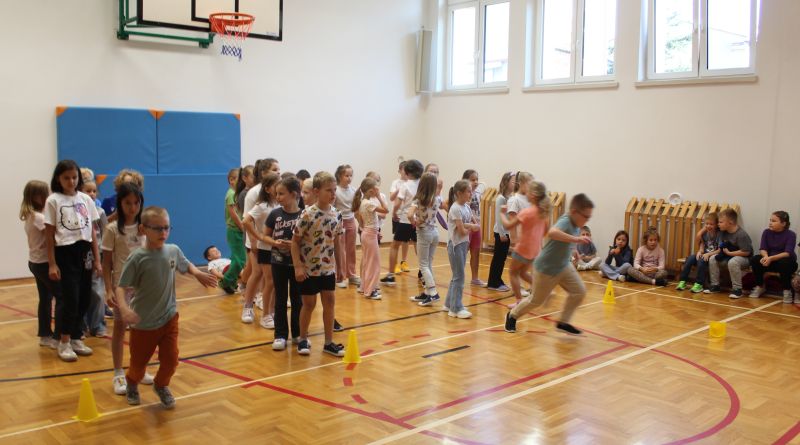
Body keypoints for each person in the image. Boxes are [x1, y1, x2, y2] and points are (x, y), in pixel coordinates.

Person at [116, 206, 217, 408]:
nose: (163, 232)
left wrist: (197, 273)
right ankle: (132, 382)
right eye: (157, 228)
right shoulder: (137, 258)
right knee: (138, 364)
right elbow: (121, 286)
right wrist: (125, 309)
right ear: (143, 229)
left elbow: (185, 263)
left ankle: (161, 385)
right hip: (143, 323)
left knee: (171, 360)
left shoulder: (172, 250)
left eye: (166, 228)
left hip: (169, 317)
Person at [505, 194, 594, 335]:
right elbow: (552, 233)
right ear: (574, 212)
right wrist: (576, 240)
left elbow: (567, 241)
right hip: (546, 268)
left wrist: (575, 250)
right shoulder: (566, 221)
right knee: (536, 301)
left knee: (579, 291)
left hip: (563, 266)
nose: (587, 219)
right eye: (586, 216)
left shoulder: (577, 224)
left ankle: (563, 322)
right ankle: (512, 315)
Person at [44, 160, 101, 362]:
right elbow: (49, 235)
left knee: (85, 297)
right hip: (65, 252)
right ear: (58, 179)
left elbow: (92, 232)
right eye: (66, 178)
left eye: (74, 177)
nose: (71, 181)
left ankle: (76, 337)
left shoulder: (85, 198)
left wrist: (97, 260)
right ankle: (64, 341)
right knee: (71, 299)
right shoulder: (53, 200)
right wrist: (52, 263)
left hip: (84, 251)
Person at [101, 182, 154, 395]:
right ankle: (117, 373)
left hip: (143, 286)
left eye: (136, 203)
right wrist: (108, 289)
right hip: (122, 287)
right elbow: (106, 263)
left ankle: (138, 368)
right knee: (120, 329)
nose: (132, 207)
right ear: (119, 204)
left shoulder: (146, 227)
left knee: (142, 330)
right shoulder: (112, 229)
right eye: (128, 203)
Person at [291, 172, 346, 356]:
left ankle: (328, 342)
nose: (333, 194)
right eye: (328, 190)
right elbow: (295, 242)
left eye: (334, 190)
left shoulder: (337, 215)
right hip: (309, 270)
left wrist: (340, 267)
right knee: (309, 304)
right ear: (316, 191)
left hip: (328, 268)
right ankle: (303, 339)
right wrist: (298, 266)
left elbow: (337, 243)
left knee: (329, 302)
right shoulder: (307, 214)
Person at [265, 176, 304, 350]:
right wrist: (275, 243)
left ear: (294, 194)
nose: (277, 197)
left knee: (297, 299)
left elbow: (308, 239)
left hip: (297, 264)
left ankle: (297, 334)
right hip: (278, 262)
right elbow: (265, 235)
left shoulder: (304, 214)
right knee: (280, 298)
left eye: (281, 194)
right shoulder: (275, 214)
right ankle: (280, 335)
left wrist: (294, 246)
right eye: (276, 194)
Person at [500, 182, 551, 309]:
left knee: (513, 273)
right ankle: (544, 290)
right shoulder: (544, 214)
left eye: (527, 192)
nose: (525, 194)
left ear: (533, 195)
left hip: (523, 249)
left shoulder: (527, 212)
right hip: (535, 251)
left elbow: (508, 225)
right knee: (523, 273)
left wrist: (501, 213)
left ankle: (519, 301)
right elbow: (545, 232)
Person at [20, 180, 57, 348]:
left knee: (45, 298)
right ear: (36, 197)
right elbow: (53, 236)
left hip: (36, 262)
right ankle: (57, 336)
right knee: (60, 297)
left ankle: (45, 335)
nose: (49, 197)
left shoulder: (32, 215)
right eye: (46, 194)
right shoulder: (39, 217)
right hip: (43, 263)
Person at [242, 173, 280, 326]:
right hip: (263, 247)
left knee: (274, 281)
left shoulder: (281, 204)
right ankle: (249, 307)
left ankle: (271, 311)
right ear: (268, 189)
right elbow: (246, 221)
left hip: (277, 248)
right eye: (276, 185)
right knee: (260, 275)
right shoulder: (262, 205)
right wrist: (258, 236)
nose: (279, 188)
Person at [382, 160, 424, 286]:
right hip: (418, 221)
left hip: (406, 219)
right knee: (419, 247)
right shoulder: (423, 184)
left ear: (407, 172)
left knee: (394, 246)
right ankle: (423, 274)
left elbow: (397, 203)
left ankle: (390, 276)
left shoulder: (405, 185)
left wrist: (394, 213)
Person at [444, 180, 481, 318]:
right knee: (459, 277)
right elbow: (461, 231)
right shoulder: (455, 208)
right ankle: (456, 308)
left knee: (457, 276)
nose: (471, 193)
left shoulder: (466, 206)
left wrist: (471, 225)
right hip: (455, 246)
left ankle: (449, 304)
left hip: (463, 244)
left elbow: (473, 223)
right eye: (468, 191)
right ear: (459, 193)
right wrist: (471, 227)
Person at [408, 173, 442, 306]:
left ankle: (433, 292)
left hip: (424, 233)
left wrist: (414, 222)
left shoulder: (418, 199)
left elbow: (409, 214)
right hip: (435, 233)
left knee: (423, 265)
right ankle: (427, 292)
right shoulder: (437, 199)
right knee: (428, 264)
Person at [749, 211, 798, 303]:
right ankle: (760, 286)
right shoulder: (766, 232)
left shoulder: (791, 234)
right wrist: (766, 257)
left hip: (785, 262)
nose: (770, 223)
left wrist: (770, 258)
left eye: (774, 221)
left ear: (783, 223)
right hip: (770, 261)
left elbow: (787, 253)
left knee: (784, 263)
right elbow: (763, 249)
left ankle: (787, 290)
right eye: (770, 220)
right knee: (755, 260)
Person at [353, 177, 388, 300]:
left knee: (368, 262)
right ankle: (370, 290)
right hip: (369, 235)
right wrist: (379, 197)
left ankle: (364, 287)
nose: (378, 191)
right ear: (371, 190)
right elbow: (386, 210)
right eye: (376, 189)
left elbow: (365, 222)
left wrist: (375, 232)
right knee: (374, 264)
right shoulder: (368, 203)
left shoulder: (363, 202)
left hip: (368, 234)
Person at [81, 180, 108, 338]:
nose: (91, 194)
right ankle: (82, 325)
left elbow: (105, 234)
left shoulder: (100, 212)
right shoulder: (77, 212)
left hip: (98, 255)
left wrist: (105, 260)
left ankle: (98, 325)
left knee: (98, 292)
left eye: (94, 191)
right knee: (82, 291)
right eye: (88, 191)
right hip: (81, 256)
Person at [708, 208, 753, 299]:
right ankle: (715, 285)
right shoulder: (723, 232)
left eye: (721, 222)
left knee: (733, 262)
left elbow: (746, 252)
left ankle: (737, 289)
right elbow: (708, 229)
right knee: (713, 258)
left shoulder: (741, 234)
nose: (718, 224)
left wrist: (730, 253)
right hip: (728, 255)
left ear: (731, 222)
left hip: (744, 258)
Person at [676, 213, 721, 293]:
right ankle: (682, 281)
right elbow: (702, 244)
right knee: (689, 259)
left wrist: (708, 254)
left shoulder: (719, 234)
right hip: (704, 254)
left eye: (711, 224)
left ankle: (699, 284)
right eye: (707, 224)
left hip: (712, 256)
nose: (708, 226)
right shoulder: (705, 233)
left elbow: (720, 250)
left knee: (701, 261)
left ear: (716, 225)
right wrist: (700, 251)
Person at [487, 172, 515, 292]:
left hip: (506, 233)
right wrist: (502, 233)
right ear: (506, 182)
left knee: (502, 259)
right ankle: (493, 283)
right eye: (513, 181)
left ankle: (497, 280)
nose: (515, 183)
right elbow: (499, 217)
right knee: (498, 258)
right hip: (500, 233)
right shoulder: (501, 198)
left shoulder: (510, 198)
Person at [334, 165, 360, 288]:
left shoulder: (353, 190)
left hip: (351, 222)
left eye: (351, 175)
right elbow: (332, 208)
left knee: (351, 250)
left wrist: (361, 223)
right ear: (340, 176)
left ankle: (351, 274)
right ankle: (340, 276)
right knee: (340, 251)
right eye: (346, 175)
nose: (349, 178)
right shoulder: (335, 190)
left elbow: (356, 208)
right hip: (339, 222)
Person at [221, 168, 244, 295]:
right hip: (235, 231)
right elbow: (233, 213)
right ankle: (226, 281)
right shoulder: (231, 194)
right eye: (238, 179)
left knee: (238, 259)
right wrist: (242, 227)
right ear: (231, 180)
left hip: (238, 230)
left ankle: (232, 282)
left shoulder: (237, 194)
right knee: (240, 259)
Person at [463, 170, 487, 286]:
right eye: (472, 180)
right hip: (468, 226)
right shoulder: (463, 194)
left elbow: (484, 184)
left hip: (477, 226)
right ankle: (459, 276)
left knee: (476, 252)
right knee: (463, 252)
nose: (476, 182)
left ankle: (475, 278)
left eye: (476, 179)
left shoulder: (477, 192)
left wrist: (475, 184)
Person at [388, 161, 411, 273]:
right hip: (398, 215)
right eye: (403, 169)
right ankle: (395, 265)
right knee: (397, 240)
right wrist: (400, 189)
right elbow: (392, 198)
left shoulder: (411, 183)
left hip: (408, 216)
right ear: (399, 171)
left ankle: (404, 262)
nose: (406, 171)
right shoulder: (395, 183)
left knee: (406, 240)